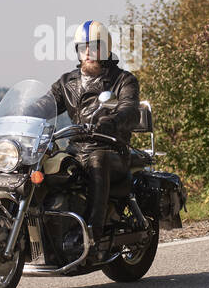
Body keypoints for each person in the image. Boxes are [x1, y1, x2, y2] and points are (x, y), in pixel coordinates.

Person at [50, 20, 141, 262]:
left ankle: (92, 234)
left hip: (111, 149)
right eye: (83, 48)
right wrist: (20, 115)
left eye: (95, 47)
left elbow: (131, 110)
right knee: (46, 163)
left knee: (97, 160)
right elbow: (45, 105)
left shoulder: (124, 80)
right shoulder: (66, 82)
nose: (89, 53)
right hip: (75, 149)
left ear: (106, 49)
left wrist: (113, 120)